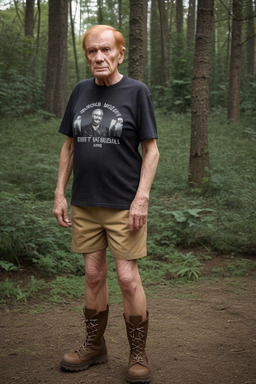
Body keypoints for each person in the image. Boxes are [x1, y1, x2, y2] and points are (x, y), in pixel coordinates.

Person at [53, 24, 159, 384]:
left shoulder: (136, 92)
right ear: (86, 56)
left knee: (128, 279)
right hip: (85, 201)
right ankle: (95, 345)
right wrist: (59, 194)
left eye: (105, 50)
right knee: (94, 275)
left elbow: (152, 150)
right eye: (91, 51)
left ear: (120, 53)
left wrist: (141, 197)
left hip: (123, 204)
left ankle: (138, 353)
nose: (98, 57)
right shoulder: (80, 91)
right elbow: (69, 146)